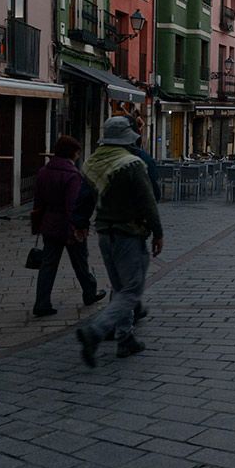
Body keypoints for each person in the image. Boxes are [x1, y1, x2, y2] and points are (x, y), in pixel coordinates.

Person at [76, 116, 164, 366]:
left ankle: (125, 339)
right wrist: (158, 233)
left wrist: (80, 224)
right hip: (129, 234)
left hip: (105, 235)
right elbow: (149, 201)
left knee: (119, 287)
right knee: (132, 290)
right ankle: (96, 331)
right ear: (127, 138)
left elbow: (85, 196)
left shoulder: (93, 162)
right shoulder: (132, 164)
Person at [31, 135, 106, 317]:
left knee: (48, 265)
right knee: (80, 262)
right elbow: (73, 204)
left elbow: (38, 202)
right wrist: (79, 227)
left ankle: (41, 303)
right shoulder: (72, 176)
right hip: (69, 226)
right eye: (77, 152)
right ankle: (89, 292)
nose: (79, 156)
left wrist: (39, 224)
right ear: (72, 153)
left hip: (49, 224)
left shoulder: (43, 172)